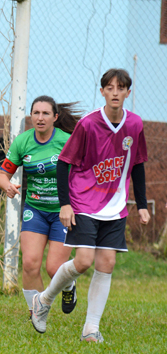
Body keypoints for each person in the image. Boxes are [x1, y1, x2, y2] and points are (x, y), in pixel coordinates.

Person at [31, 69, 150, 343]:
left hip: (115, 205)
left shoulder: (135, 125)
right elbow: (63, 163)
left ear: (128, 93)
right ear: (102, 92)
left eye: (121, 88)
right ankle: (44, 300)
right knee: (84, 261)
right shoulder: (87, 124)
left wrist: (141, 204)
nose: (116, 92)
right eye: (110, 87)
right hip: (83, 201)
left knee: (106, 263)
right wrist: (65, 204)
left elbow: (139, 164)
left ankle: (90, 329)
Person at [0, 96, 81, 318]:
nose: (40, 118)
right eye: (36, 113)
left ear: (55, 117)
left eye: (45, 113)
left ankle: (68, 286)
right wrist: (7, 186)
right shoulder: (23, 142)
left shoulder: (67, 141)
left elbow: (85, 173)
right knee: (30, 263)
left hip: (62, 212)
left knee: (54, 269)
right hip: (35, 209)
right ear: (31, 116)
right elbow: (2, 174)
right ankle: (37, 312)